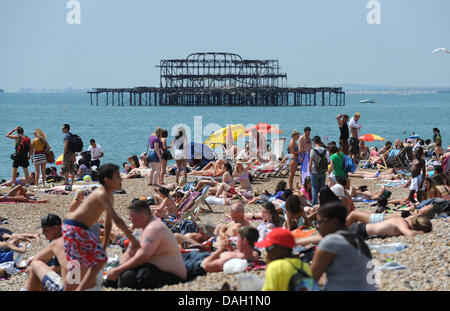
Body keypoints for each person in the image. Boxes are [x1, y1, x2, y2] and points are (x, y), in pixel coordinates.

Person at [62, 163, 140, 291]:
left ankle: (79, 288)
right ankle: (73, 288)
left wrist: (103, 246)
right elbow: (117, 219)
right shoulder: (101, 193)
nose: (121, 179)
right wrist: (132, 239)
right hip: (73, 228)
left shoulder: (109, 196)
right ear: (107, 180)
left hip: (82, 230)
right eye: (117, 176)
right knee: (76, 264)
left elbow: (109, 223)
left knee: (100, 259)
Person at [105, 199, 186, 289]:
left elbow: (143, 256)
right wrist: (119, 269)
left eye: (131, 216)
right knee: (123, 268)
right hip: (154, 265)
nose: (129, 219)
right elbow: (129, 251)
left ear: (142, 217)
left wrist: (118, 271)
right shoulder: (140, 228)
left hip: (170, 272)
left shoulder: (154, 228)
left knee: (128, 276)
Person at [311, 202, 376, 291]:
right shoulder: (358, 240)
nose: (317, 226)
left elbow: (312, 277)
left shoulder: (331, 241)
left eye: (319, 222)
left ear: (334, 222)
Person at [309, 136, 327, 205]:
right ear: (320, 141)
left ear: (314, 142)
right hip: (323, 171)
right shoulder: (324, 150)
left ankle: (314, 204)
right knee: (322, 189)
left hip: (314, 172)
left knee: (314, 188)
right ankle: (323, 203)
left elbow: (310, 162)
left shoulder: (313, 150)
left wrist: (310, 170)